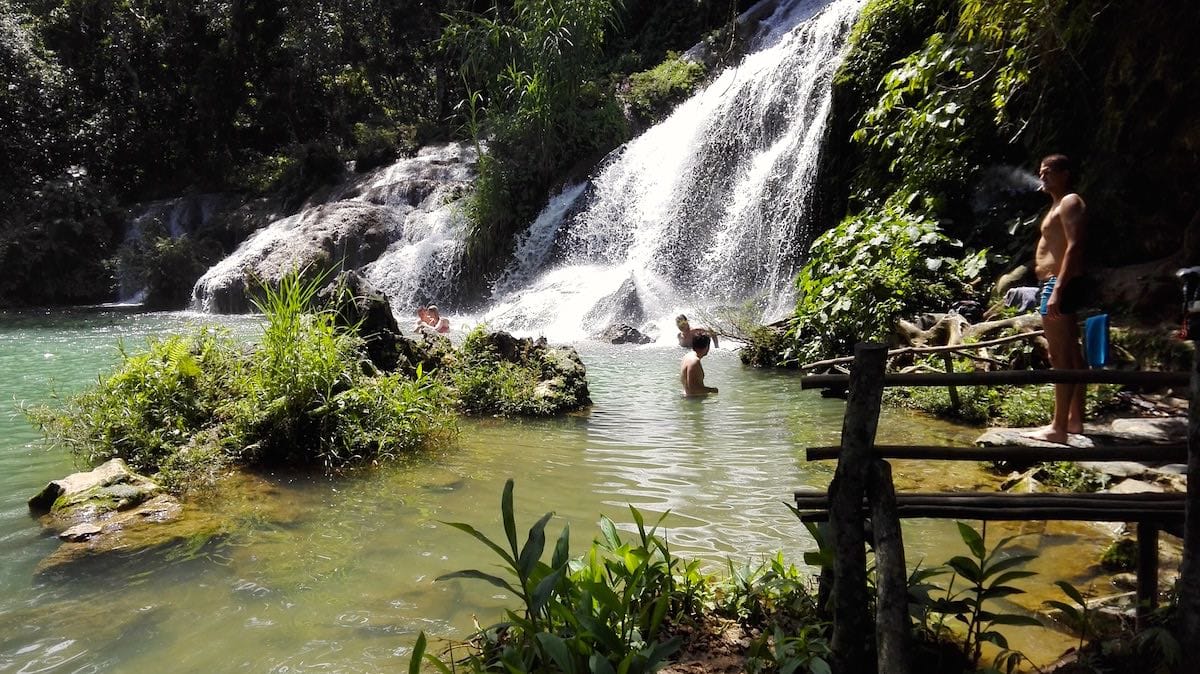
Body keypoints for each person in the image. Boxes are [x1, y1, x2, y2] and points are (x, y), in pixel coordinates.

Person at [1026, 154, 1087, 444]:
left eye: (1049, 172)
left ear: (1065, 173)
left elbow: (1075, 247)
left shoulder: (1070, 201)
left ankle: (1057, 428)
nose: (1043, 178)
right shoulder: (1056, 205)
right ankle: (1074, 421)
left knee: (1059, 357)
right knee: (1071, 356)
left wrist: (1058, 289)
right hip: (1055, 283)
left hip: (1057, 283)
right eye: (1040, 173)